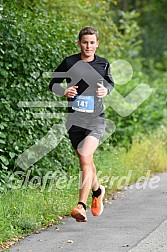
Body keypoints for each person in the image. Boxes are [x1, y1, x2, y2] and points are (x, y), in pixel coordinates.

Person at [49, 26, 114, 222]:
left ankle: (81, 205)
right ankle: (97, 191)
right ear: (79, 43)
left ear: (97, 44)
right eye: (85, 42)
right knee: (86, 161)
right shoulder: (70, 62)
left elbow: (110, 84)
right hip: (75, 121)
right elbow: (53, 83)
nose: (88, 46)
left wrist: (106, 91)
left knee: (86, 156)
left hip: (96, 120)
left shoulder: (103, 64)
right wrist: (64, 92)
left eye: (92, 42)